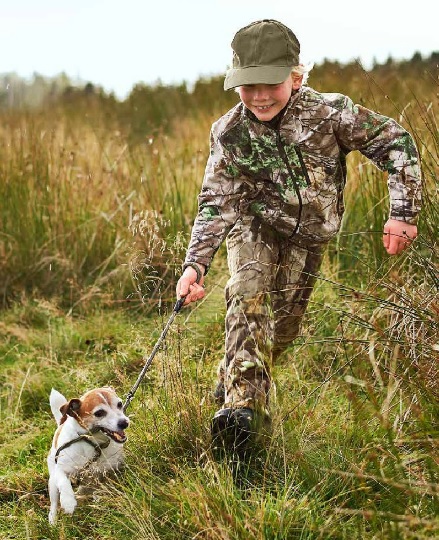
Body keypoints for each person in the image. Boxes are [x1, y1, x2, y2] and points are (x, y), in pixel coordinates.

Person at [175, 19, 421, 450]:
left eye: (270, 83)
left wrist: (402, 212)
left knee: (280, 332)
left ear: (296, 75)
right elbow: (216, 201)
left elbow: (395, 142)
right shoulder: (229, 132)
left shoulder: (331, 113)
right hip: (255, 225)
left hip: (310, 238)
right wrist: (195, 264)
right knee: (247, 292)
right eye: (247, 86)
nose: (259, 96)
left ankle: (229, 386)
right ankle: (242, 422)